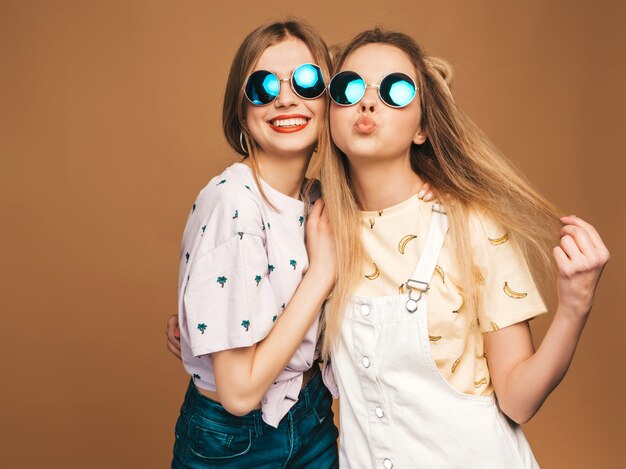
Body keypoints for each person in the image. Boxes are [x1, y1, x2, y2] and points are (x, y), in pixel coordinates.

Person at [316, 28, 609, 468]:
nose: (367, 102)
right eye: (348, 87)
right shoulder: (317, 227)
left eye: (395, 90)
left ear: (423, 128)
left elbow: (518, 400)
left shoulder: (471, 224)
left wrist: (574, 306)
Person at [169, 20, 340, 468]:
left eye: (307, 81)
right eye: (263, 86)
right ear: (241, 111)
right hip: (234, 444)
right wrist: (321, 275)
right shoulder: (233, 202)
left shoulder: (319, 198)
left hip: (311, 417)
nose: (286, 98)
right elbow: (240, 392)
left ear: (329, 102)